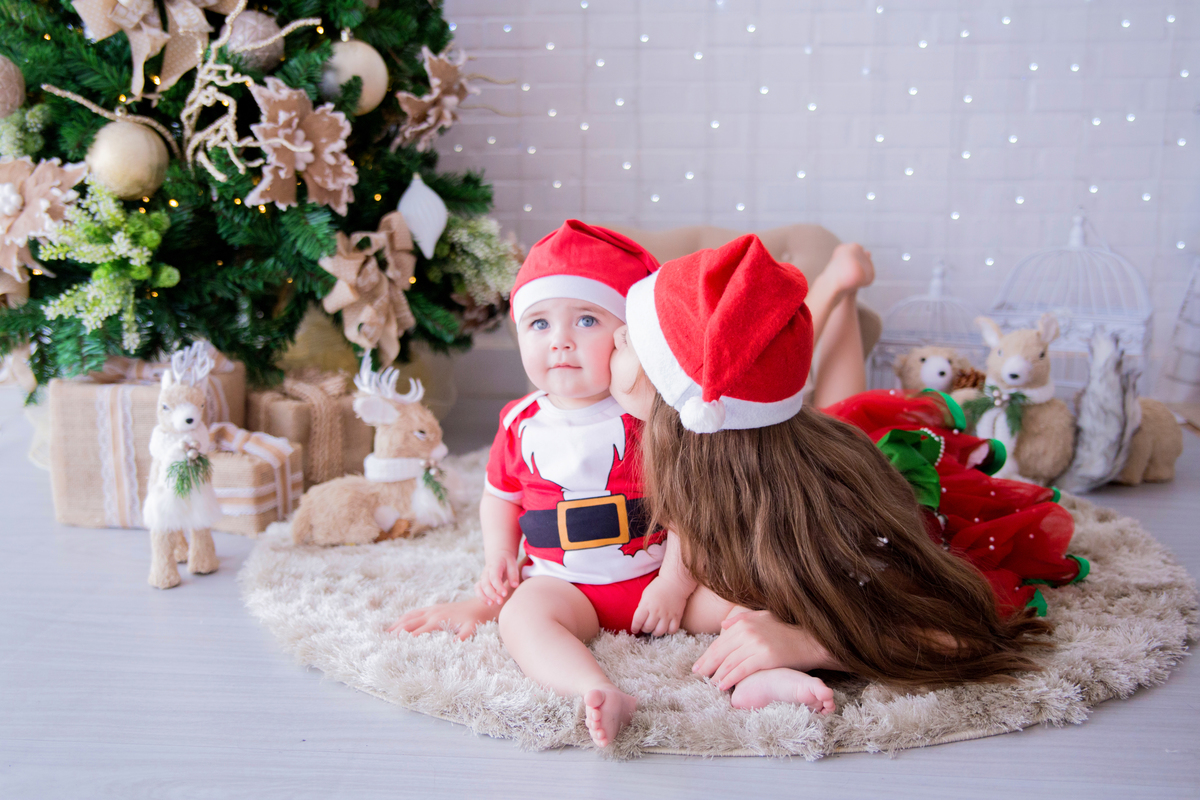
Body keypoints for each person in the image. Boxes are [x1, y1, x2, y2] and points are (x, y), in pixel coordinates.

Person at [390, 224, 878, 746]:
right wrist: (497, 560)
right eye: (537, 323)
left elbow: (691, 510)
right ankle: (594, 689)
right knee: (522, 618)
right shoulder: (519, 421)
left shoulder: (647, 414)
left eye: (586, 319)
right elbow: (500, 496)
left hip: (660, 576)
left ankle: (759, 676)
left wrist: (673, 583)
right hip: (566, 584)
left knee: (754, 597)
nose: (560, 340)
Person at [607, 233, 1084, 712]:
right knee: (815, 402)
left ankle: (841, 286)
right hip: (780, 444)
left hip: (864, 483)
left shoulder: (825, 525)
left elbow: (965, 633)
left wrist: (812, 643)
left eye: (629, 338)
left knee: (849, 412)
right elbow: (736, 367)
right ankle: (838, 286)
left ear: (673, 402)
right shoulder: (712, 452)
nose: (612, 338)